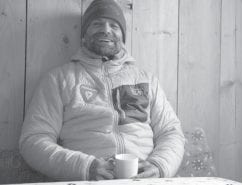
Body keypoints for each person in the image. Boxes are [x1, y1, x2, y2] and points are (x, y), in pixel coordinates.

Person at [19, 0, 185, 181]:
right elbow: (33, 140)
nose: (106, 30)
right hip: (87, 180)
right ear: (83, 35)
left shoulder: (147, 80)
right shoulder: (58, 80)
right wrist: (85, 166)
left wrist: (159, 165)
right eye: (97, 24)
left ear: (123, 37)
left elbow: (171, 132)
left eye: (114, 25)